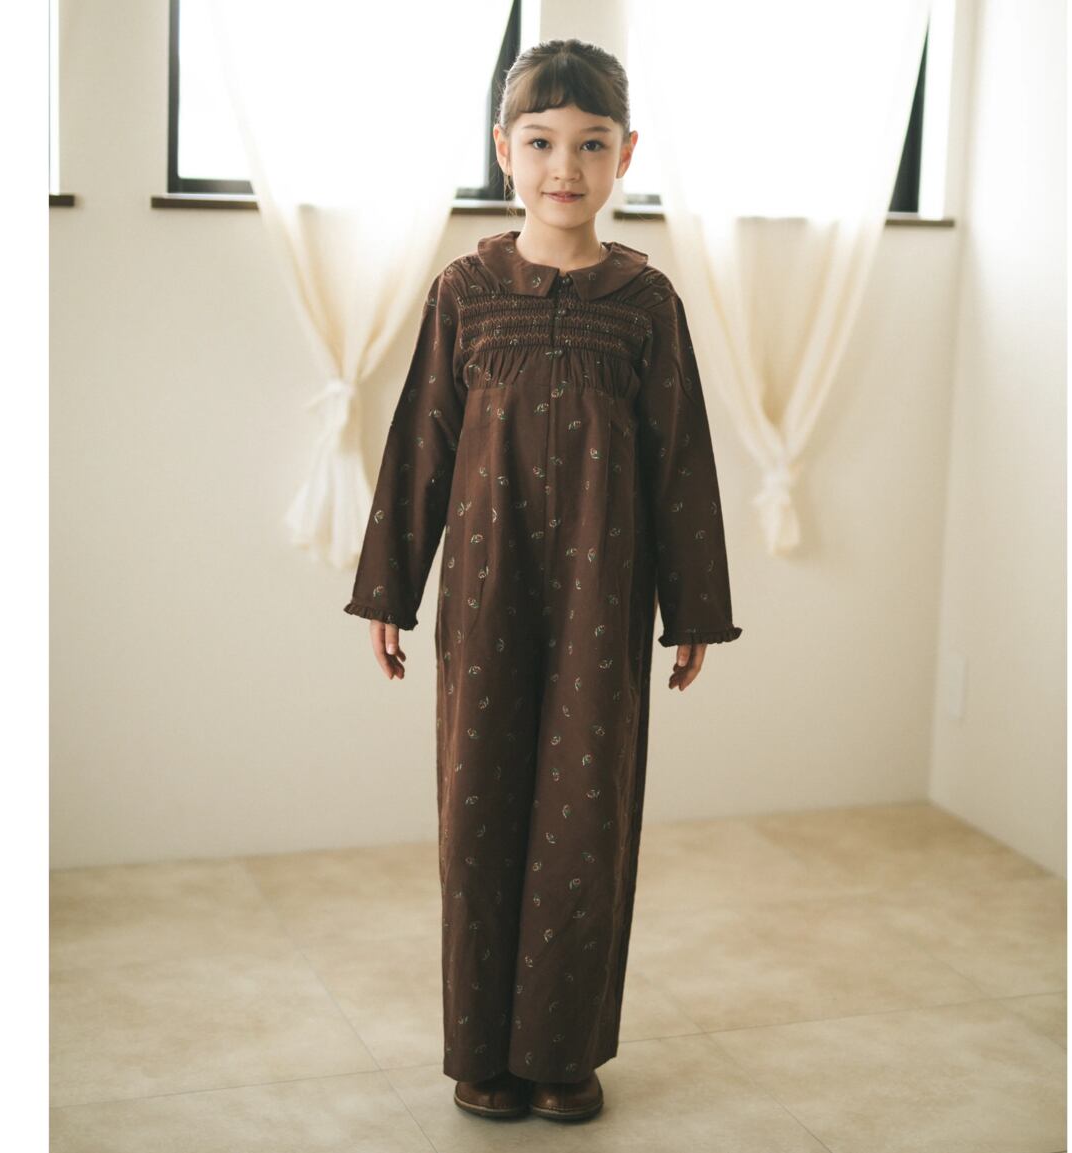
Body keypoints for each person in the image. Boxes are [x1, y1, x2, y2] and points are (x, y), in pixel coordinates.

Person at [343, 38, 742, 1123]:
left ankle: (562, 1051)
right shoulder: (465, 293)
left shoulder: (645, 302)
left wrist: (692, 605)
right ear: (504, 150)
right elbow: (421, 441)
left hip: (603, 602)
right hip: (485, 598)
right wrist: (390, 588)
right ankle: (483, 1049)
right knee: (478, 811)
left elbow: (680, 457)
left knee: (583, 818)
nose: (566, 166)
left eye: (591, 144)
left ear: (626, 155)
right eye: (542, 142)